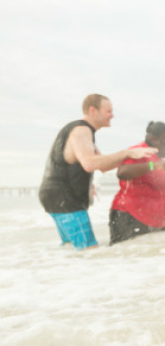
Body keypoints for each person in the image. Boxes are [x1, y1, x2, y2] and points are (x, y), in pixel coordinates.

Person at [38, 94, 156, 250]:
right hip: (65, 199)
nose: (112, 115)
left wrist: (134, 156)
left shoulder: (83, 132)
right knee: (89, 252)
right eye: (108, 111)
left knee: (71, 250)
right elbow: (89, 163)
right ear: (93, 110)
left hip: (56, 197)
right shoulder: (81, 130)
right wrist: (126, 153)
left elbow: (103, 166)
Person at [109, 121, 165, 245]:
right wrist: (153, 165)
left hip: (159, 222)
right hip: (131, 218)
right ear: (154, 139)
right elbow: (122, 172)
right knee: (127, 259)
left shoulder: (157, 158)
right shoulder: (139, 152)